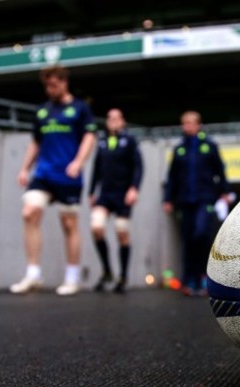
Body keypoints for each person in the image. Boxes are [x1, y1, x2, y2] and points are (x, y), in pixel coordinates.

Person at [10, 64, 97, 296]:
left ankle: (72, 277)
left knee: (69, 224)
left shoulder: (80, 109)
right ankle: (33, 274)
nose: (50, 89)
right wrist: (24, 169)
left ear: (64, 82)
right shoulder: (42, 111)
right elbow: (36, 142)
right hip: (43, 174)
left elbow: (89, 136)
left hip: (68, 175)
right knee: (29, 212)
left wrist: (78, 162)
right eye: (47, 85)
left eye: (54, 84)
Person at [163, 110, 233, 297]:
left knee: (201, 234)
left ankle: (204, 276)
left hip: (205, 199)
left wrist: (226, 191)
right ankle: (189, 280)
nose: (188, 126)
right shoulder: (179, 150)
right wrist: (168, 198)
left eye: (191, 122)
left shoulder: (209, 146)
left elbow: (220, 170)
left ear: (198, 124)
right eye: (184, 123)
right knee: (188, 240)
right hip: (185, 201)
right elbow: (172, 177)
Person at [88, 108, 144, 294]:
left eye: (116, 118)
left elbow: (138, 167)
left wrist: (134, 188)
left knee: (121, 231)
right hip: (105, 194)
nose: (112, 121)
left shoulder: (129, 141)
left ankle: (123, 276)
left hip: (123, 194)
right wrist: (91, 192)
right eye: (109, 117)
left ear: (123, 122)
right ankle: (106, 271)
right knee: (96, 227)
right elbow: (96, 168)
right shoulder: (102, 142)